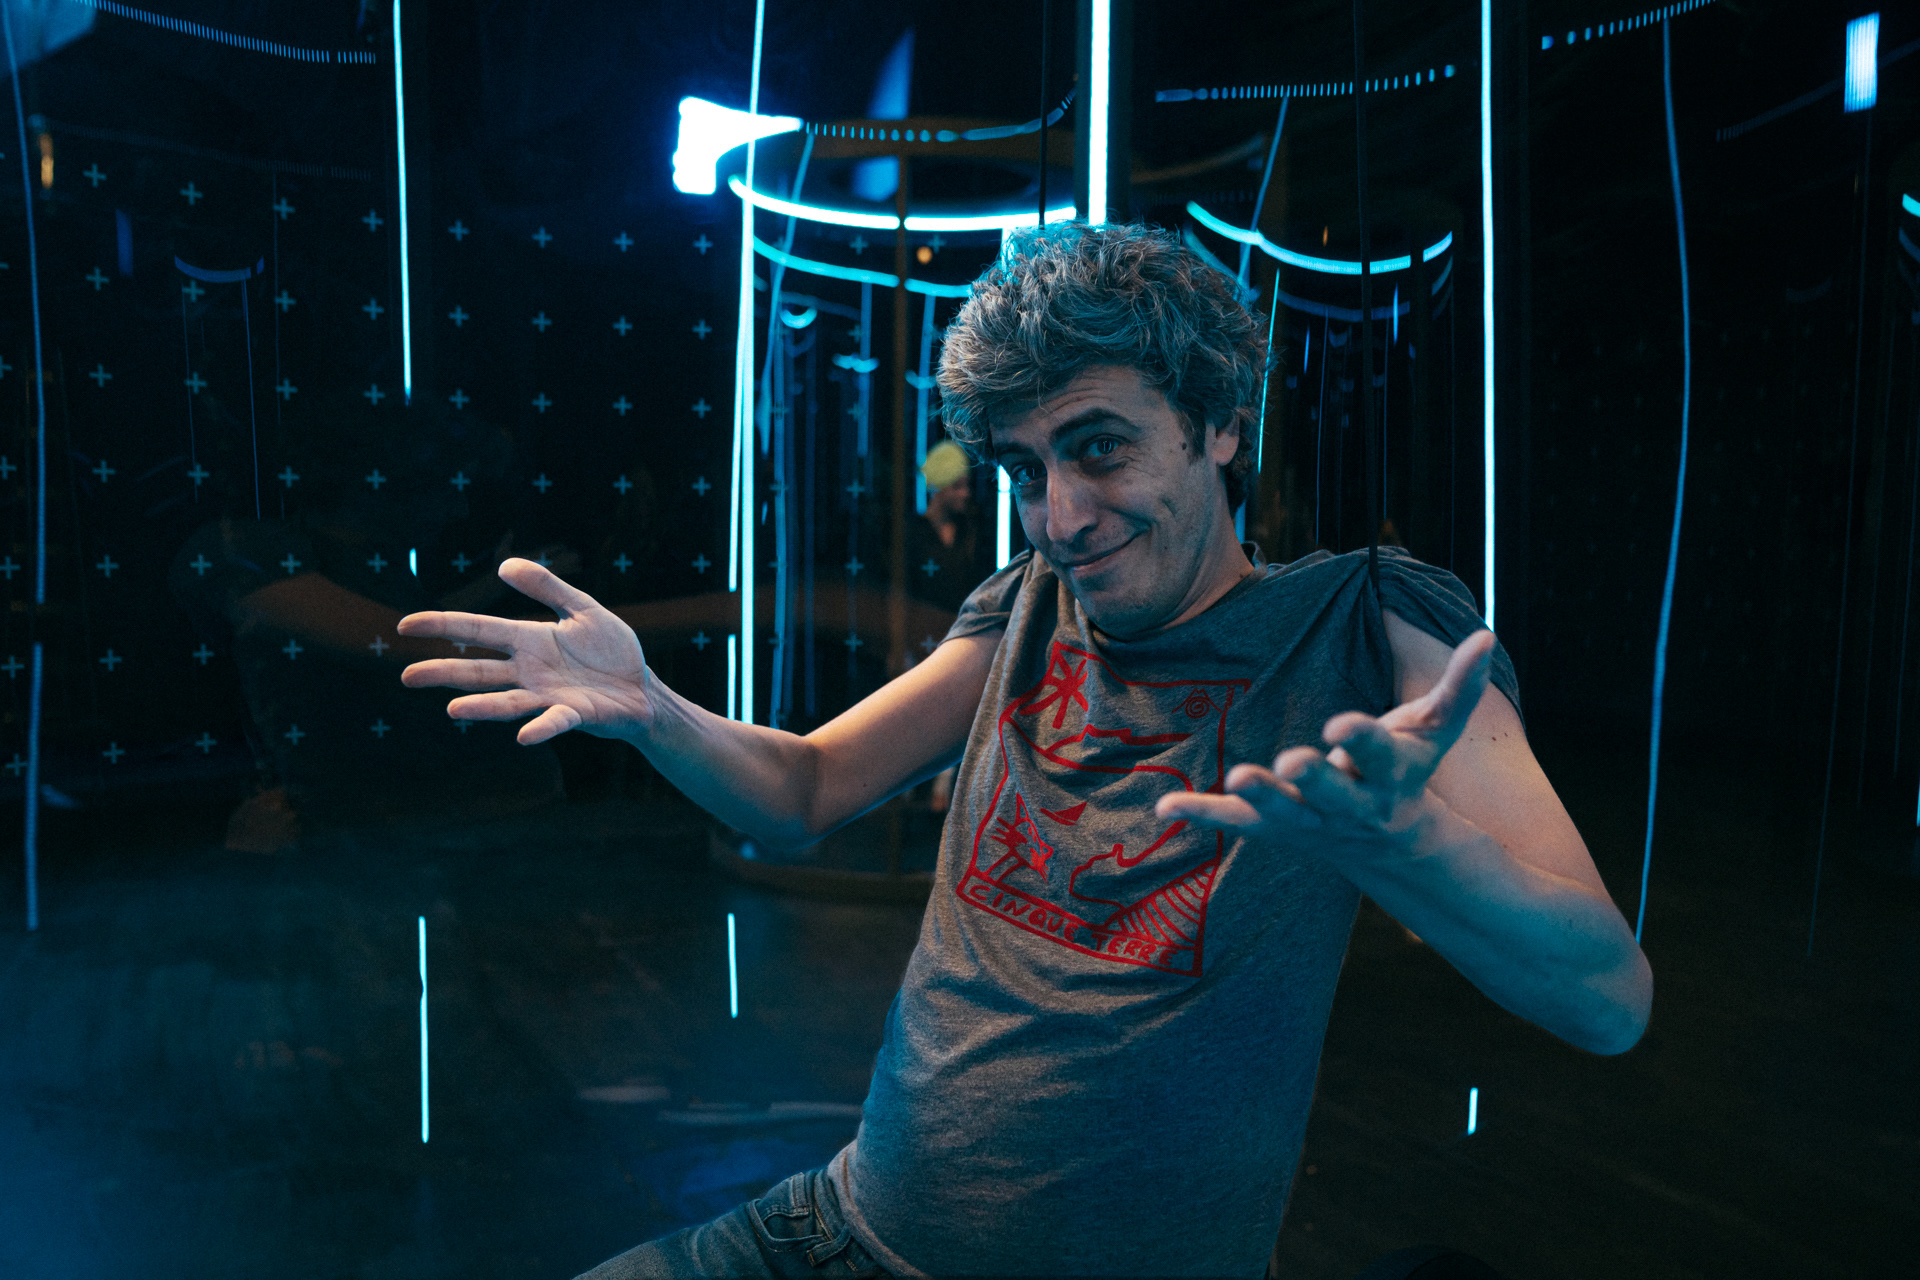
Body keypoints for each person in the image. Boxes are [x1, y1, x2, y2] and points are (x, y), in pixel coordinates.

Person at [398, 224, 1652, 1279]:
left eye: (1099, 447)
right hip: (844, 1232)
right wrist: (655, 709)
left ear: (1220, 423)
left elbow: (1608, 999)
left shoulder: (1365, 621)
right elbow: (805, 788)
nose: (1059, 516)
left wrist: (1409, 842)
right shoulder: (1026, 605)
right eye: (1024, 468)